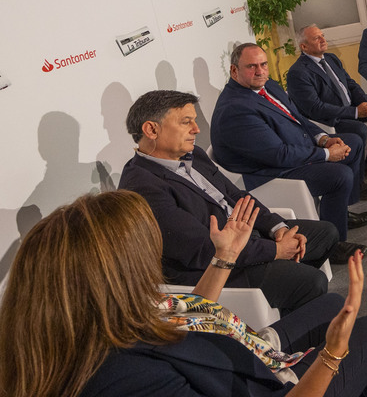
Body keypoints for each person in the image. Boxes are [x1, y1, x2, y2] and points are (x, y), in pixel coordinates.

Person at [0, 189, 367, 397]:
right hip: (266, 382)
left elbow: (188, 314)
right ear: (115, 271)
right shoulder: (131, 383)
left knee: (330, 302)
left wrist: (224, 258)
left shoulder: (99, 320)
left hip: (243, 352)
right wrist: (331, 355)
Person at [120, 90, 350, 315]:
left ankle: (290, 303)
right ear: (151, 129)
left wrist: (277, 228)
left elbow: (236, 195)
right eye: (185, 122)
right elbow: (200, 249)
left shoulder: (194, 154)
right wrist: (276, 250)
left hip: (245, 237)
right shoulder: (142, 187)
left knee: (326, 233)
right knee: (312, 282)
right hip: (215, 266)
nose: (196, 129)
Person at [212, 44, 367, 242]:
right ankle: (334, 245)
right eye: (251, 66)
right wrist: (326, 155)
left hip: (291, 148)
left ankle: (340, 213)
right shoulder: (235, 109)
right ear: (234, 70)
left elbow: (298, 118)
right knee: (339, 175)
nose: (260, 71)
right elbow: (278, 155)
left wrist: (323, 139)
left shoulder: (268, 85)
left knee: (354, 142)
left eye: (263, 64)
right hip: (267, 172)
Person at [287, 25, 367, 177]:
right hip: (331, 117)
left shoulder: (331, 58)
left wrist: (366, 103)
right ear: (304, 46)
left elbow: (351, 84)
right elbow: (316, 108)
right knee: (359, 129)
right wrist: (356, 112)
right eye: (316, 38)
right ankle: (357, 181)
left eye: (322, 35)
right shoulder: (298, 72)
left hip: (351, 105)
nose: (323, 39)